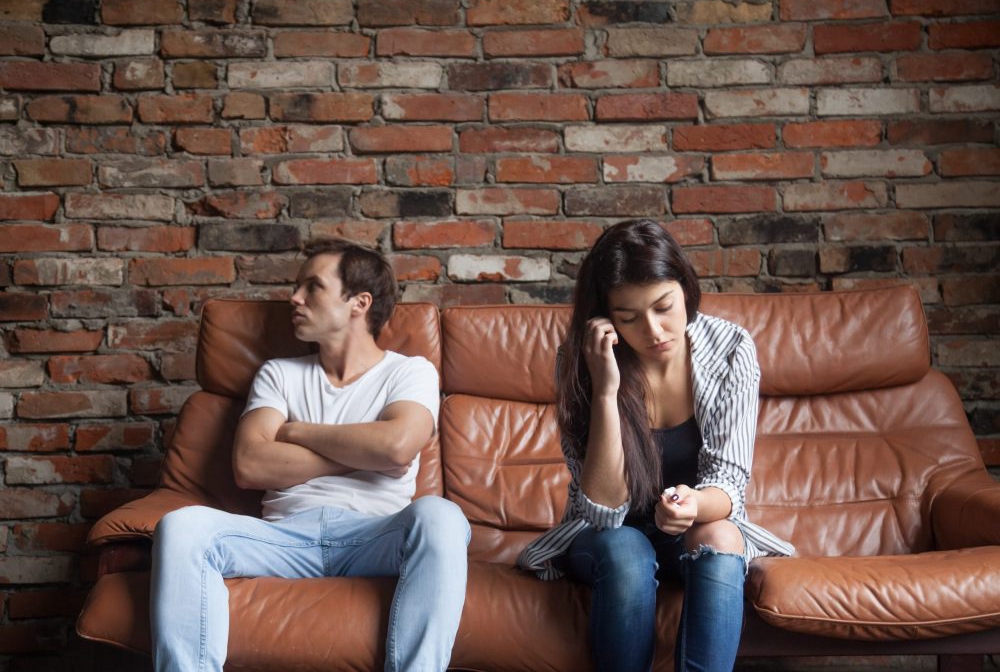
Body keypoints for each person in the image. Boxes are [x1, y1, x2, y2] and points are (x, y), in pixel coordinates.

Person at [150, 238, 470, 672]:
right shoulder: (279, 373)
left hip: (374, 536)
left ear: (359, 302)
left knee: (442, 518)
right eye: (297, 287)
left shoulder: (409, 371)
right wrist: (368, 452)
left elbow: (397, 445)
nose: (294, 298)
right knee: (182, 526)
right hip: (283, 537)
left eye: (312, 287)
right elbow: (250, 465)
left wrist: (297, 432)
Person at [517, 219, 794, 672]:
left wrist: (692, 505)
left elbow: (728, 490)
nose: (654, 330)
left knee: (721, 537)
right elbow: (603, 511)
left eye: (664, 306)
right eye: (628, 318)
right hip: (606, 539)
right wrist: (606, 389)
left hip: (692, 526)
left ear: (685, 287)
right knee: (627, 548)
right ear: (605, 317)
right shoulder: (582, 357)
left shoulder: (730, 349)